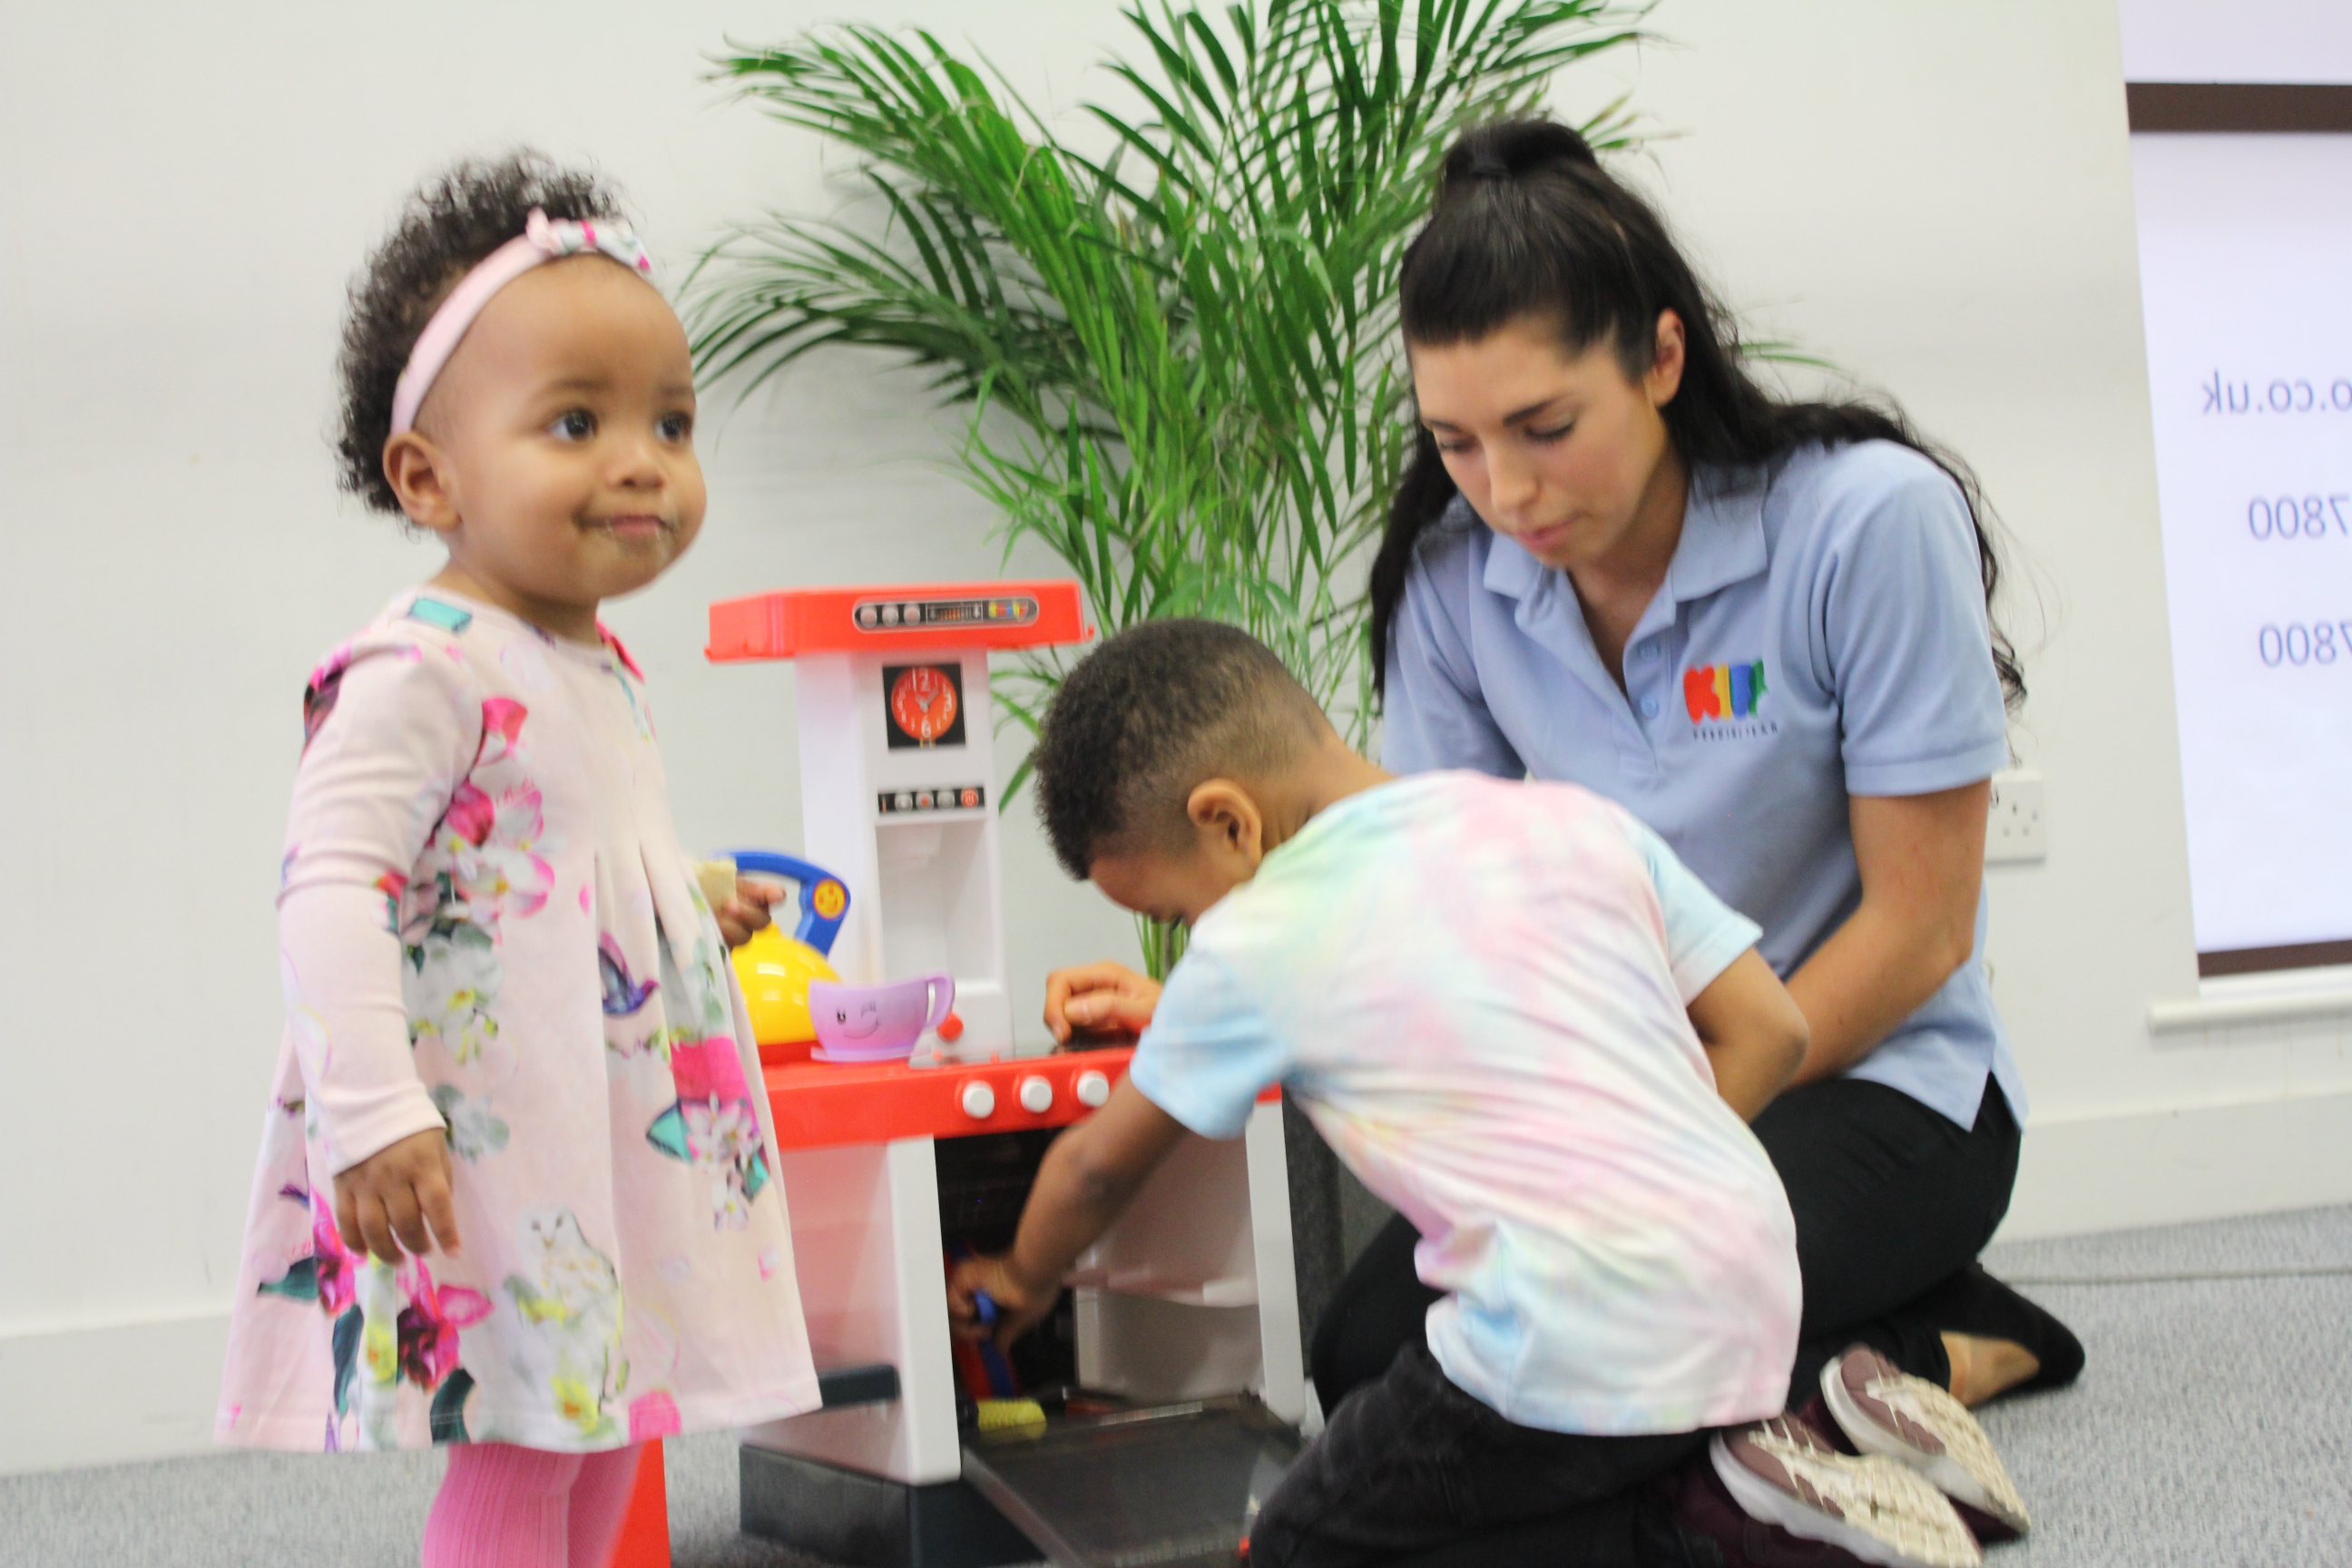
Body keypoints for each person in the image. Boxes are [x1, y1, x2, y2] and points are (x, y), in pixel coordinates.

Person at [951, 619, 1998, 1568]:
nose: (1192, 938)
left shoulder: (1260, 937)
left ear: (1229, 824)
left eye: (1176, 917)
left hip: (1560, 1330)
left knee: (1303, 1544)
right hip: (1754, 1283)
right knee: (1524, 1448)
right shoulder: (1569, 823)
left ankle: (1706, 1526)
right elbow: (1775, 1028)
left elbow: (1095, 1164)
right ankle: (1772, 1446)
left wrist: (1022, 1275)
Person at [1330, 117, 2085, 1420]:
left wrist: (1678, 1107)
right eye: (1455, 442)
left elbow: (1921, 929)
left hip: (1883, 1089)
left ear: (1662, 356)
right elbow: (1460, 919)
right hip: (1624, 1113)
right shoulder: (1453, 584)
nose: (1505, 489)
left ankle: (1956, 1344)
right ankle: (1889, 1338)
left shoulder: (1866, 523)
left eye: (1545, 426)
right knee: (1369, 1367)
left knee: (1630, 1346)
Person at [216, 155, 819, 1568]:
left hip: (606, 1138)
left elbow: (560, 849)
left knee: (610, 1427)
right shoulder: (419, 668)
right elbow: (327, 885)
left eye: (670, 422)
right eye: (574, 420)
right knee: (522, 1445)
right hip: (487, 1144)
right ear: (430, 476)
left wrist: (685, 889)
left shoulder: (591, 658)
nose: (641, 460)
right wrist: (369, 1109)